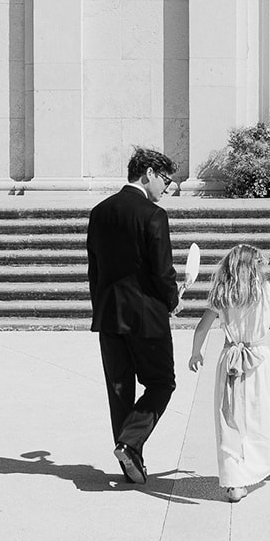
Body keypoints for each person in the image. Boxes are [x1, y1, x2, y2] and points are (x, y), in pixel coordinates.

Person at [188, 244, 270, 502]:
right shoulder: (267, 292)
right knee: (267, 412)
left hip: (230, 362)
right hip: (259, 361)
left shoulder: (221, 295)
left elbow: (200, 330)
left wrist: (196, 354)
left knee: (231, 420)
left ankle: (235, 482)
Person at [86, 146, 180, 485]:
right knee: (161, 382)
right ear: (149, 173)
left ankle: (131, 456)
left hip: (109, 314)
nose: (167, 189)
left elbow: (94, 269)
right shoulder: (153, 215)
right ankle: (129, 443)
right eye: (166, 181)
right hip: (147, 315)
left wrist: (101, 308)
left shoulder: (99, 212)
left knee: (119, 389)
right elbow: (162, 270)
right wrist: (172, 298)